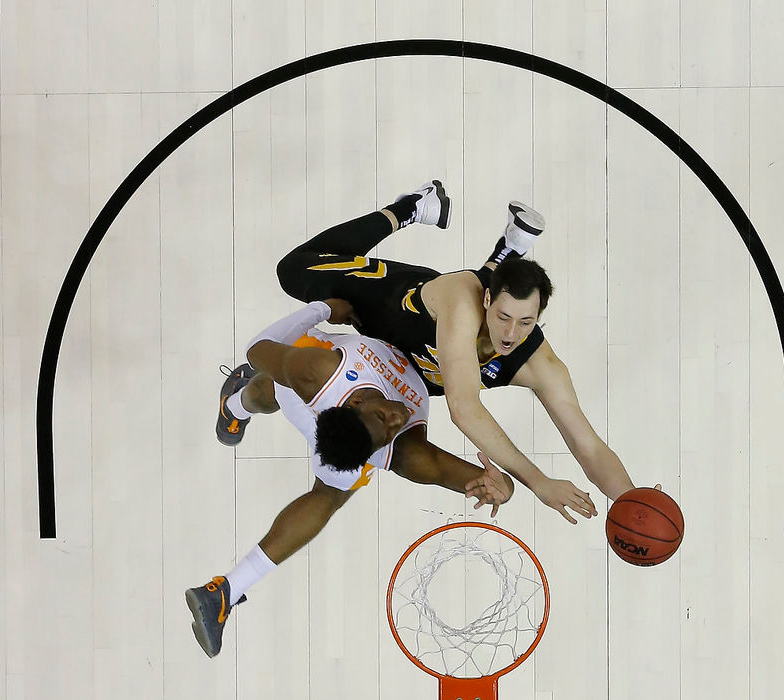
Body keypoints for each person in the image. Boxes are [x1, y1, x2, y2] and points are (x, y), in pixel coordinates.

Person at [273, 180, 649, 524]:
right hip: (387, 311)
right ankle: (415, 207)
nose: (510, 333)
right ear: (487, 300)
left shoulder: (540, 364)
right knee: (292, 271)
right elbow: (465, 411)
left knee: (459, 359)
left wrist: (634, 502)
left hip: (413, 368)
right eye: (503, 317)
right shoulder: (462, 301)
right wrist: (539, 481)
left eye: (525, 322)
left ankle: (509, 250)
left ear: (539, 317)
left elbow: (588, 445)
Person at [188, 298, 514, 658]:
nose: (396, 418)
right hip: (307, 396)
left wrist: (322, 309)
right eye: (390, 427)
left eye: (386, 422)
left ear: (359, 407)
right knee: (321, 475)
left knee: (280, 389)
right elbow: (257, 350)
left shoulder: (332, 386)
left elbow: (258, 349)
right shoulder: (393, 441)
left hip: (309, 390)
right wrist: (504, 489)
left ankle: (233, 407)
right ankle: (226, 588)